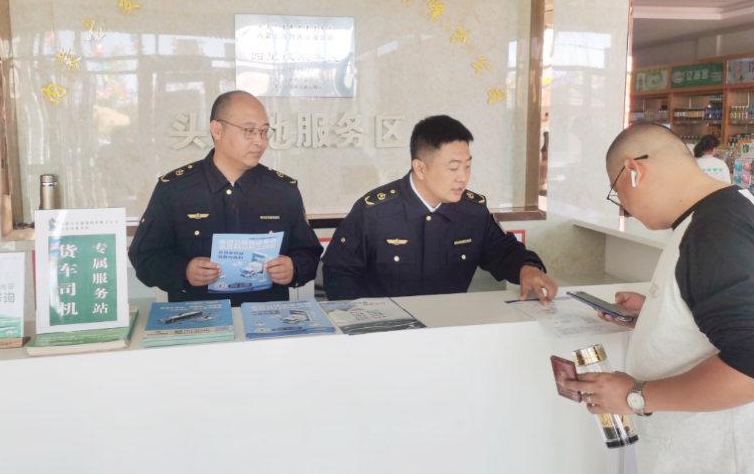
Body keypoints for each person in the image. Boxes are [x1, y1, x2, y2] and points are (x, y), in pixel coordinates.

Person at [564, 123, 754, 474]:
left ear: (634, 171)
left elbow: (748, 368)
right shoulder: (724, 211)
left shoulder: (713, 233)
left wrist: (634, 395)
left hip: (714, 456)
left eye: (617, 193)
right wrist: (658, 313)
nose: (624, 208)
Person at [322, 115, 557, 304]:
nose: (463, 177)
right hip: (386, 332)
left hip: (450, 330)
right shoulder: (374, 212)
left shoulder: (472, 212)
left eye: (467, 166)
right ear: (420, 168)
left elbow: (503, 252)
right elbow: (338, 274)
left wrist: (527, 269)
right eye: (453, 168)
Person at [129, 91, 322, 306]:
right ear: (217, 130)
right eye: (249, 131)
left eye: (264, 131)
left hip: (267, 318)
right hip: (198, 318)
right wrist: (183, 271)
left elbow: (310, 254)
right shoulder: (175, 190)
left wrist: (294, 269)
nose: (259, 141)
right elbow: (144, 258)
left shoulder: (283, 190)